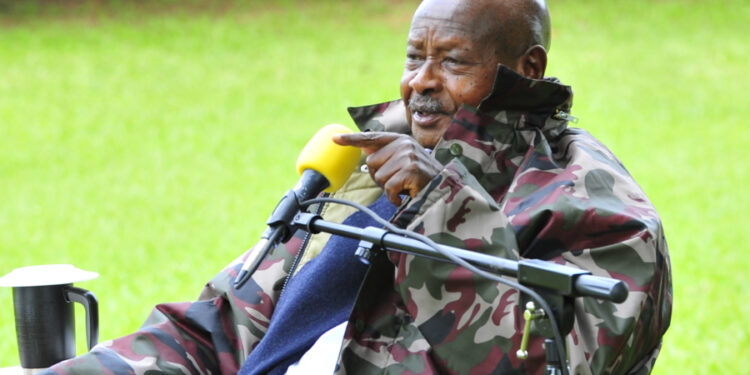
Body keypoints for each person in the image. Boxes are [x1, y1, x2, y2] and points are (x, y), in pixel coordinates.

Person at [45, 0, 672, 374]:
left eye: (452, 61)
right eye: (412, 58)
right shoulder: (366, 174)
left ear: (525, 69)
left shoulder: (596, 210)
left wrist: (438, 211)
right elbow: (219, 329)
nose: (419, 83)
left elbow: (542, 366)